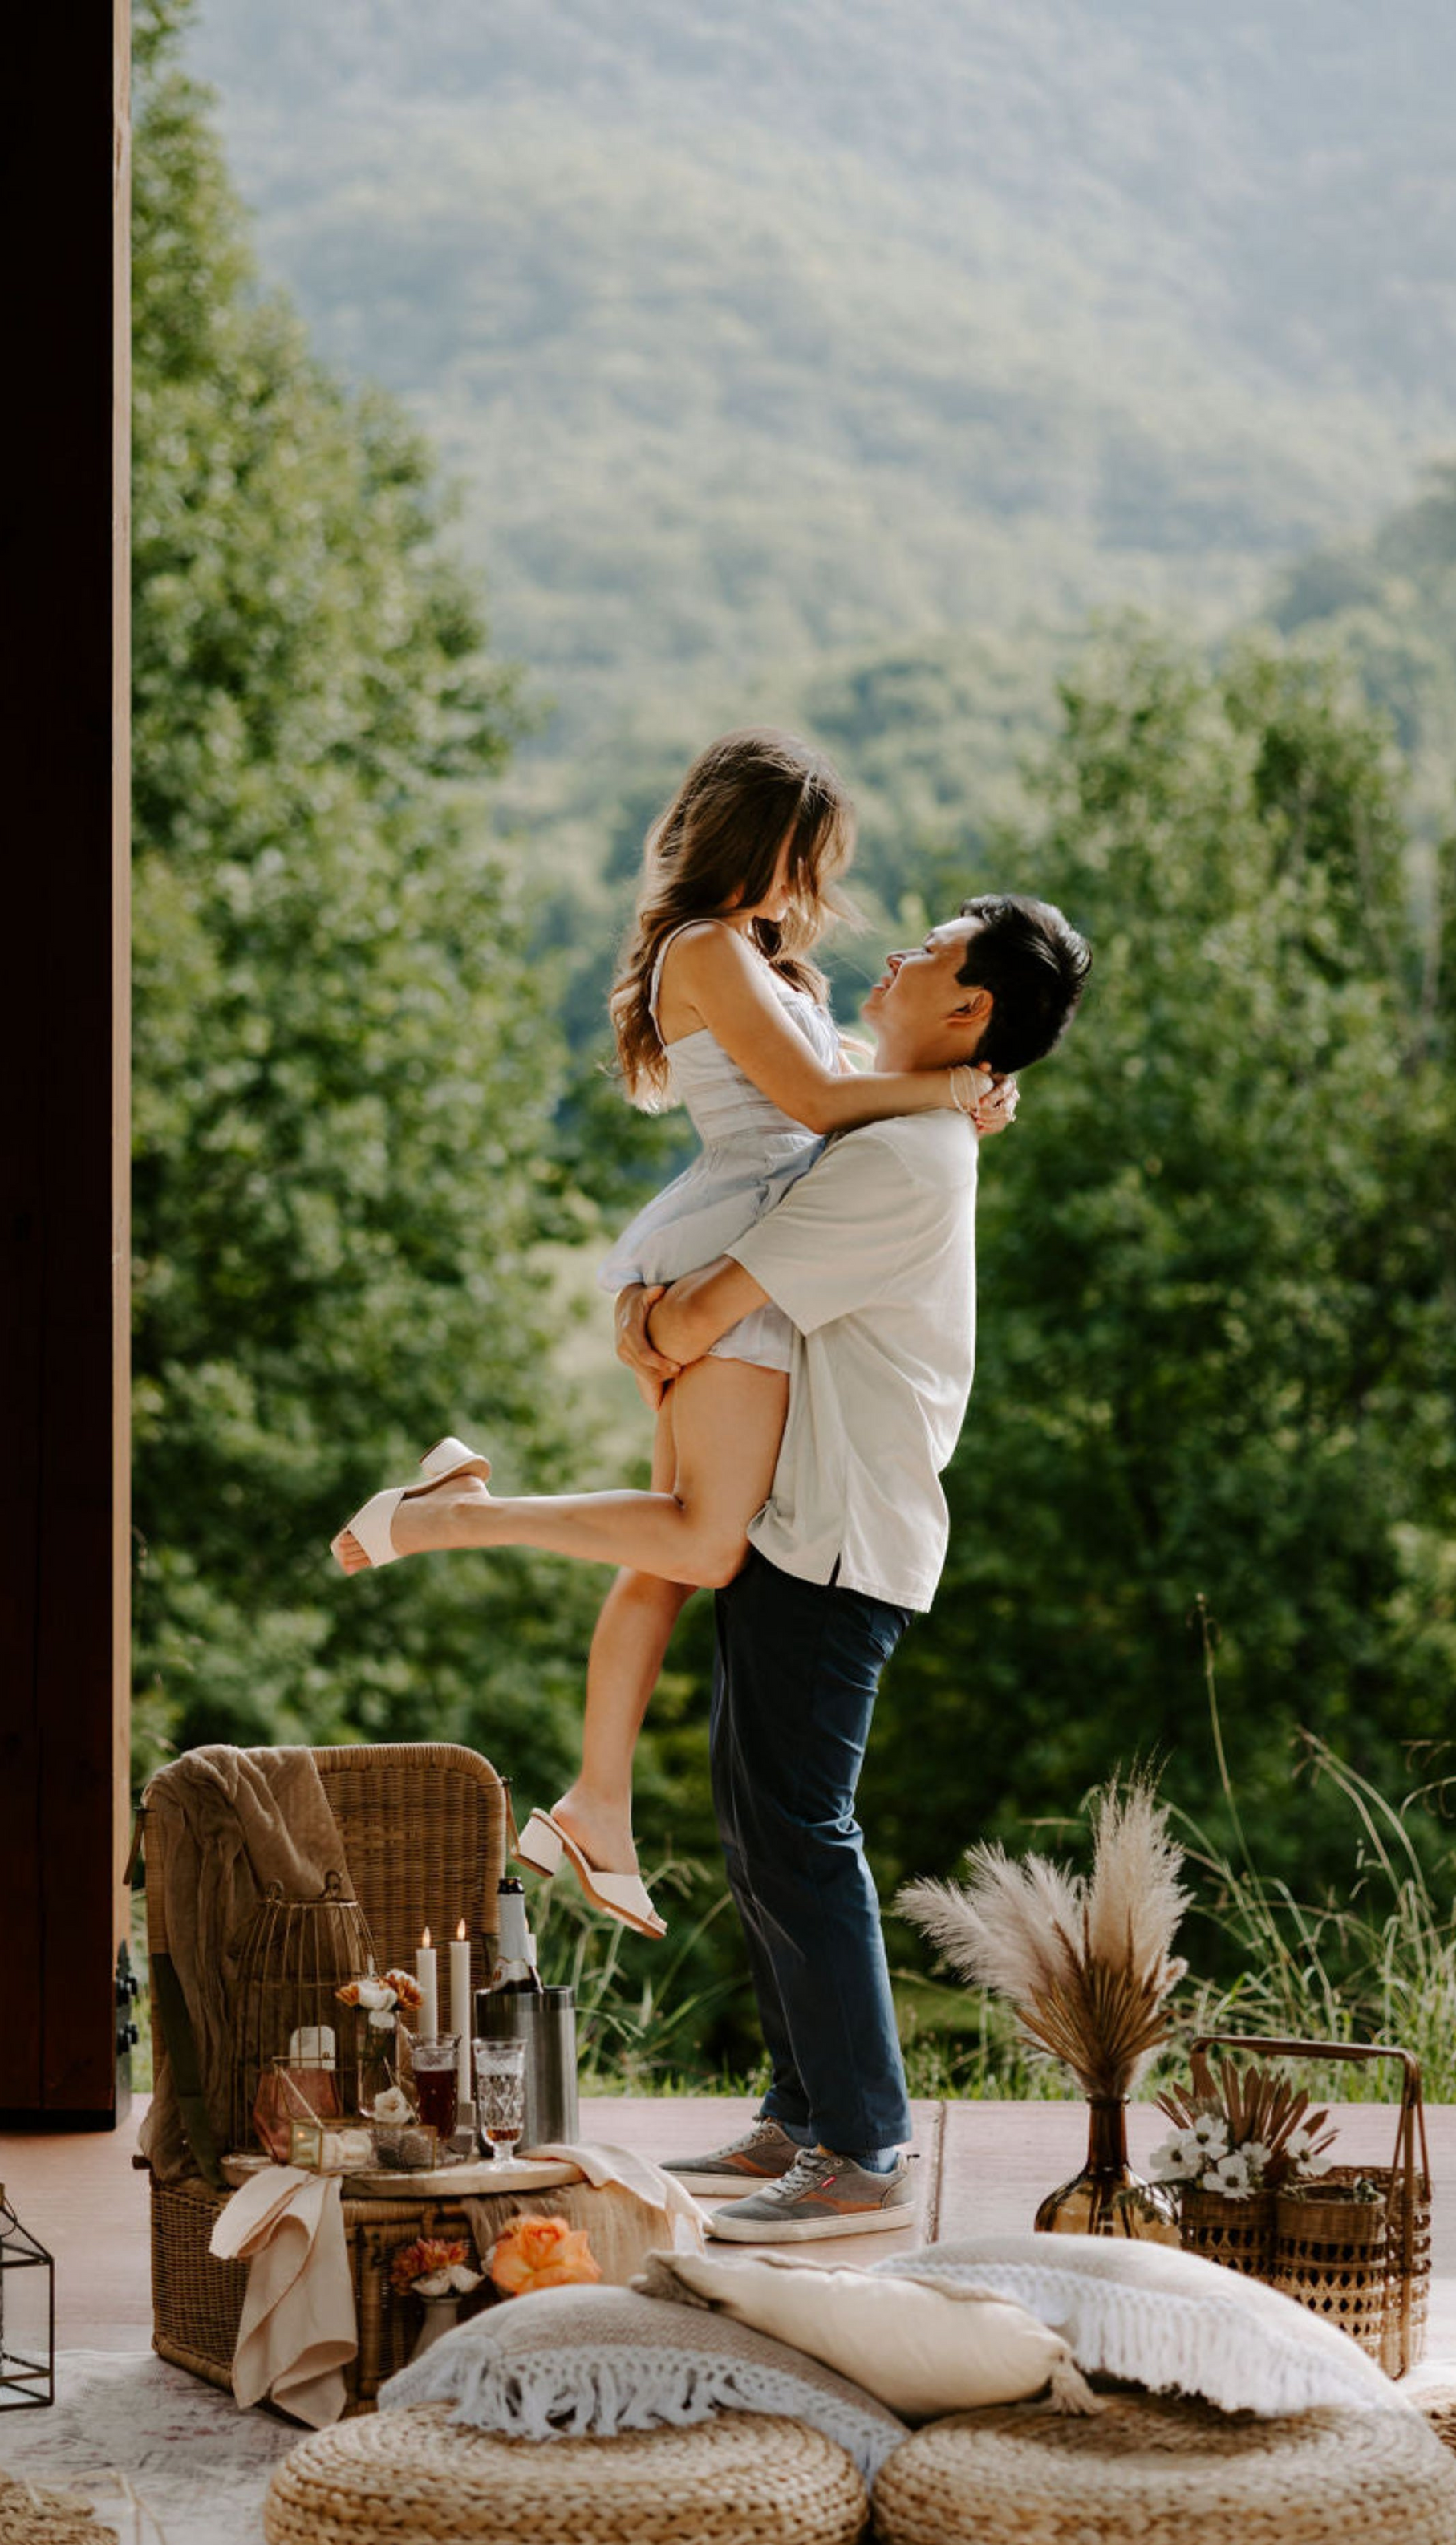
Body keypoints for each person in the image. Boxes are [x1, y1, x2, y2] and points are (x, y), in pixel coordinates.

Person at [332, 729, 1012, 1938]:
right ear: (755, 842)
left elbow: (850, 1086)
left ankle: (597, 1806)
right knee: (704, 1545)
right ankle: (448, 1518)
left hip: (756, 1250)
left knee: (667, 1552)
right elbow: (813, 1108)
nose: (815, 886)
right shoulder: (703, 949)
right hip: (725, 1252)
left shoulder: (767, 965)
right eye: (806, 855)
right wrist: (949, 1087)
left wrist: (961, 1090)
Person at [637, 891, 1093, 2240]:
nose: (893, 958)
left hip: (839, 1539)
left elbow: (715, 1306)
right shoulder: (907, 1126)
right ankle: (804, 2110)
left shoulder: (904, 1161)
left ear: (970, 1012)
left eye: (930, 953)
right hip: (803, 1522)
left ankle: (867, 2150)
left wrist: (641, 1315)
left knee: (799, 1831)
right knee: (754, 1817)